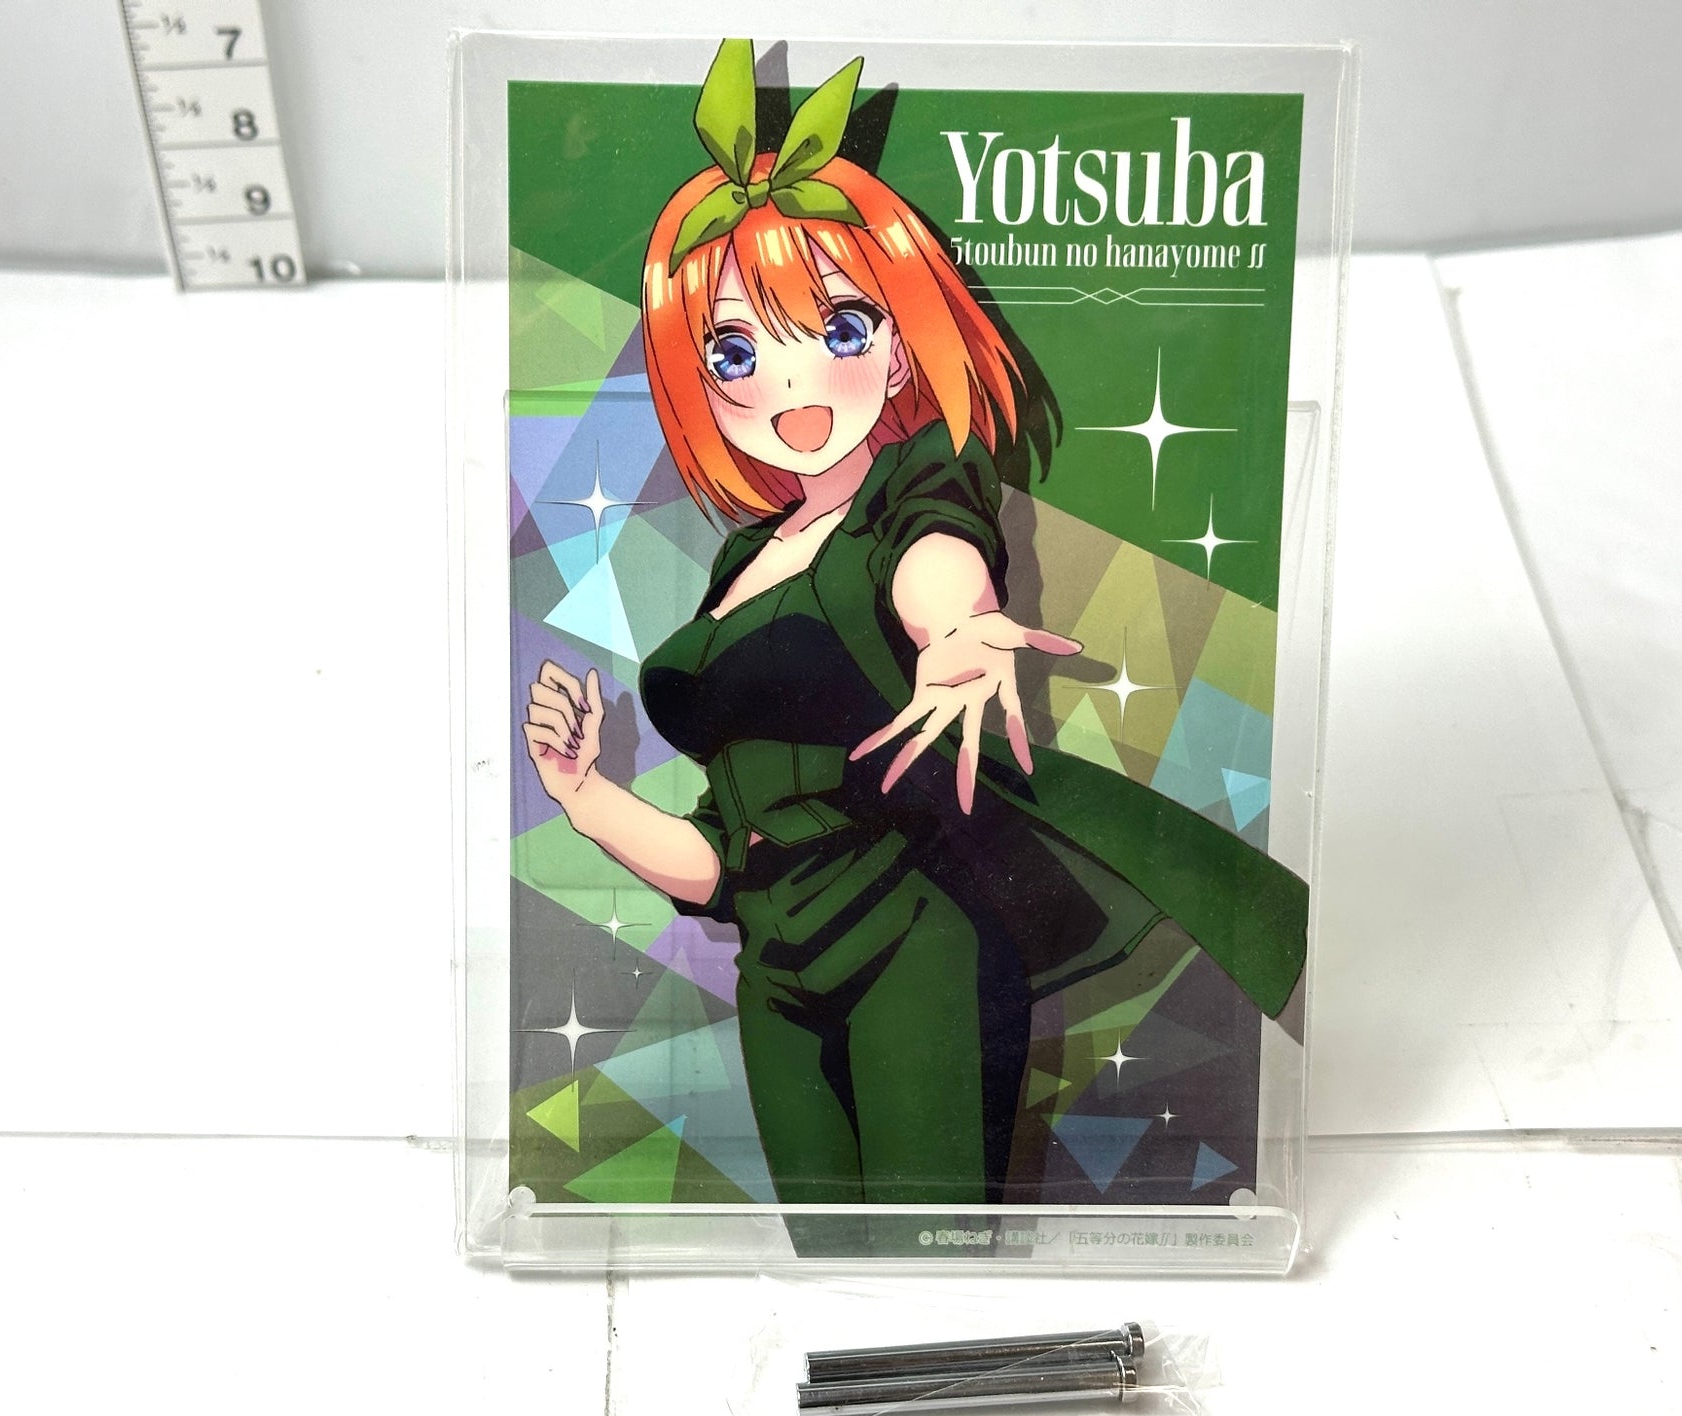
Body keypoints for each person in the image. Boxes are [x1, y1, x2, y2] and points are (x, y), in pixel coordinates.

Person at [519, 42, 1307, 1236]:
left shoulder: (911, 479)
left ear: (895, 343)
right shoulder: (740, 563)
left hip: (910, 931)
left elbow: (936, 547)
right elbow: (719, 864)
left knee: (931, 1238)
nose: (788, 388)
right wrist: (584, 797)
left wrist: (959, 627)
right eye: (735, 351)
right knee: (829, 1253)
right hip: (773, 971)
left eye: (837, 326)